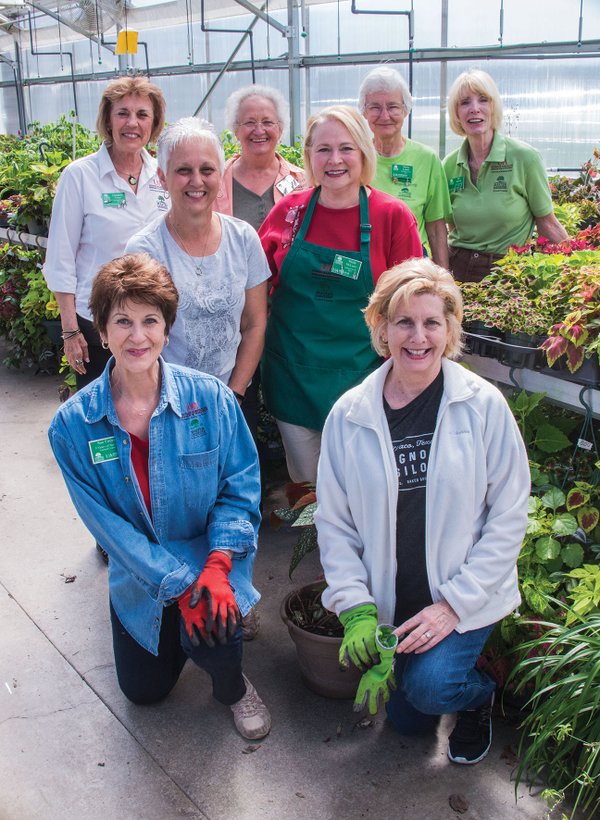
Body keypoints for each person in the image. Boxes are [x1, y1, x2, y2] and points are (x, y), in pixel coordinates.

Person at [315, 257, 530, 765]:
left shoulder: (482, 405)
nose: (418, 337)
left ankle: (479, 696)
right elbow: (335, 523)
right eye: (404, 322)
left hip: (463, 592)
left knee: (431, 691)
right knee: (410, 724)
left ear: (450, 328)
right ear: (382, 327)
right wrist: (357, 608)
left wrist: (454, 604)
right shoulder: (349, 415)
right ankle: (425, 676)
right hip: (394, 600)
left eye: (432, 322)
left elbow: (509, 512)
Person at [47, 253, 271, 740]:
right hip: (141, 576)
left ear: (167, 330)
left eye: (150, 320)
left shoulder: (210, 399)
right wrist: (176, 582)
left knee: (214, 627)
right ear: (101, 332)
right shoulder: (73, 426)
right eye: (121, 321)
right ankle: (179, 634)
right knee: (144, 693)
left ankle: (231, 684)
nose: (137, 335)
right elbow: (108, 527)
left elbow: (241, 487)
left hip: (210, 561)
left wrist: (215, 566)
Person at [259, 105, 422, 484]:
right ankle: (314, 544)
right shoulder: (289, 213)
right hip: (293, 374)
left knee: (364, 483)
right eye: (323, 149)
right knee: (309, 485)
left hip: (365, 375)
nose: (335, 160)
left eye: (346, 148)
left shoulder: (391, 216)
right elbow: (255, 286)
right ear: (310, 157)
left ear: (364, 152)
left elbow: (413, 300)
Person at [125, 117, 269, 405]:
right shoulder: (145, 249)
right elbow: (138, 336)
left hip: (233, 396)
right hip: (167, 402)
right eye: (183, 170)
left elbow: (254, 323)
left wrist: (235, 393)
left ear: (220, 174)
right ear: (162, 178)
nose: (197, 181)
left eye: (207, 170)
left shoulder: (243, 239)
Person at [43, 76, 168, 388]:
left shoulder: (163, 176)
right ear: (108, 120)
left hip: (153, 323)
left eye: (142, 114)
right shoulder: (80, 176)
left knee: (151, 409)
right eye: (122, 113)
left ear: (153, 124)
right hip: (96, 322)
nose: (132, 123)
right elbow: (60, 259)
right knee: (103, 415)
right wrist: (70, 331)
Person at [443, 68, 568, 282]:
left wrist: (576, 268)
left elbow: (547, 222)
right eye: (465, 103)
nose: (475, 109)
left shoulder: (524, 158)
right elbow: (450, 226)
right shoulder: (448, 165)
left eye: (483, 100)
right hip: (458, 269)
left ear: (494, 107)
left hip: (508, 272)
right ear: (456, 113)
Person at [358, 66, 450, 267]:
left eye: (392, 107)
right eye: (374, 107)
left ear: (406, 110)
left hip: (412, 264)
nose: (384, 115)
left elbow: (435, 226)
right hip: (365, 261)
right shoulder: (355, 157)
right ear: (364, 112)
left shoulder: (427, 159)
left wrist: (443, 278)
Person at [216, 83, 306, 231]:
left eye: (267, 122)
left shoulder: (301, 181)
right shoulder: (216, 181)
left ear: (280, 128)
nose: (259, 131)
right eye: (249, 122)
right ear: (235, 129)